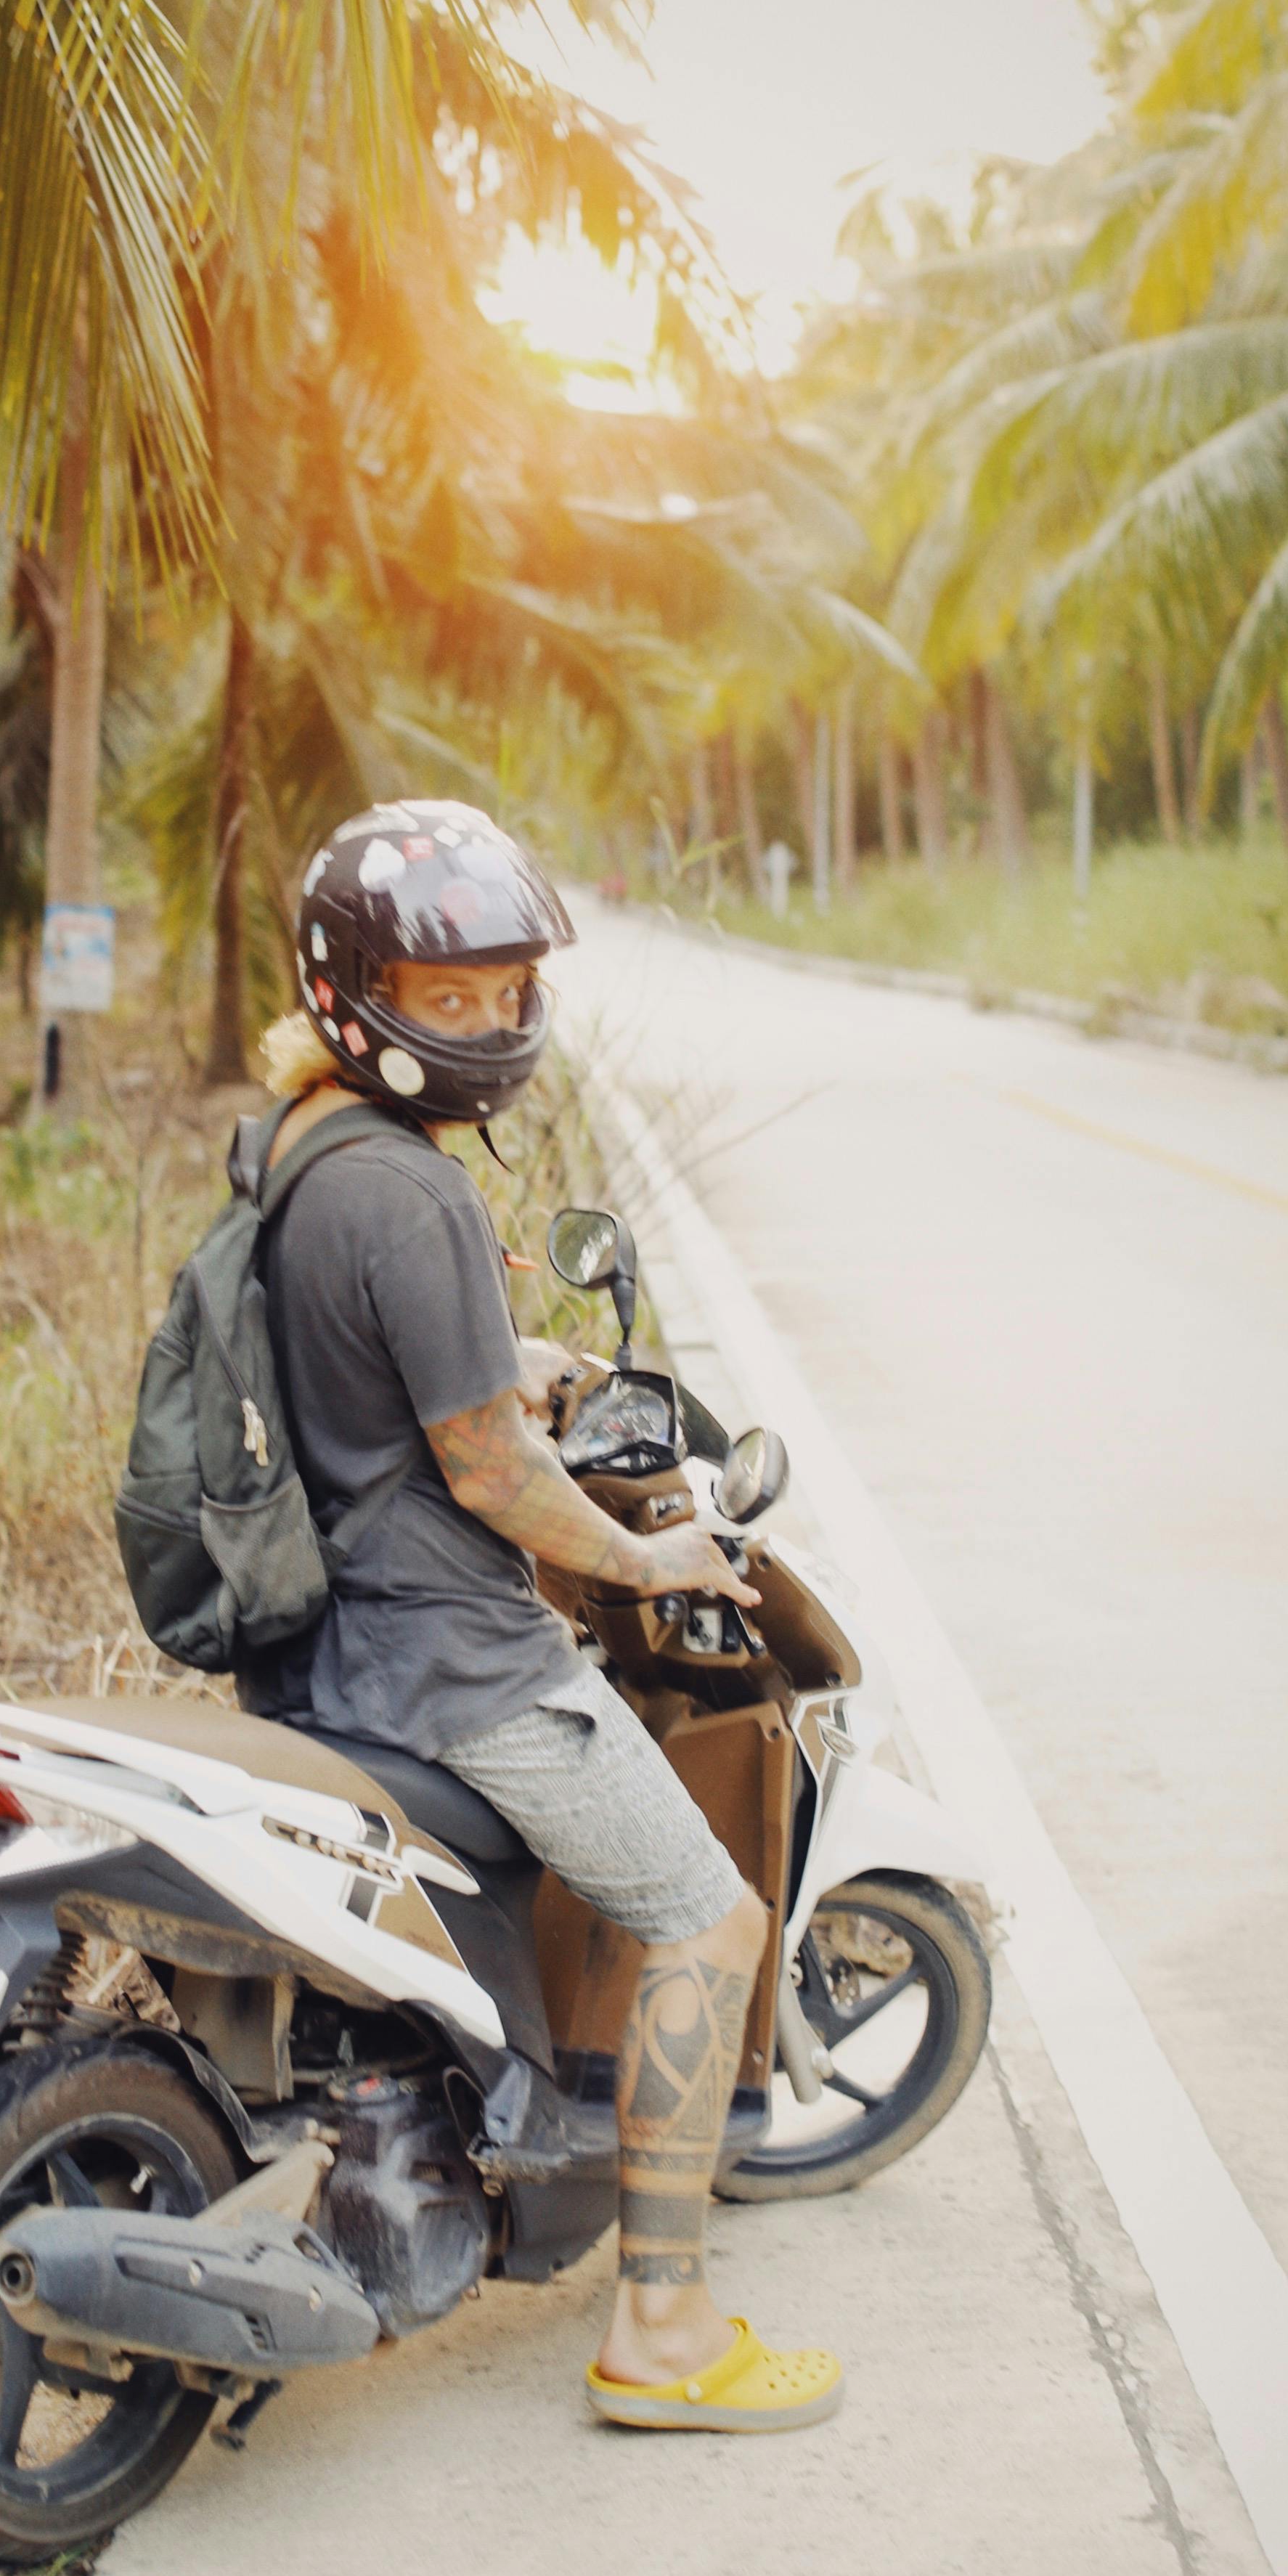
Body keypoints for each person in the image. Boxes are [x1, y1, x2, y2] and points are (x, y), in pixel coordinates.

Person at [242, 798, 841, 2433]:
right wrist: (652, 1563)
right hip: (448, 1659)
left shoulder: (299, 1148)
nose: (495, 1022)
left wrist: (524, 1363)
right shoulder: (415, 1193)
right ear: (362, 987)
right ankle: (659, 2328)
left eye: (510, 987)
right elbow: (495, 1477)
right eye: (453, 995)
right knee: (708, 1919)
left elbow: (379, 1372)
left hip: (322, 1643)